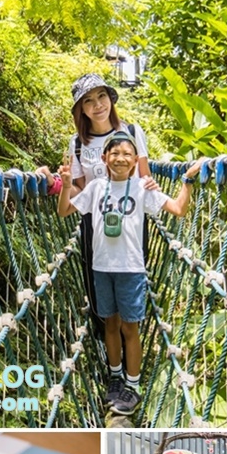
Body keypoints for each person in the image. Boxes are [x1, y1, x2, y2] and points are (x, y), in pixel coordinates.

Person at [58, 133, 203, 415]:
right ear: (104, 159)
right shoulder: (96, 187)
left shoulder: (141, 187)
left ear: (136, 161)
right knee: (110, 324)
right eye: (114, 153)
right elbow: (64, 211)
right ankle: (115, 378)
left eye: (127, 154)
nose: (120, 158)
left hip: (131, 268)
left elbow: (178, 209)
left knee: (130, 328)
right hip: (101, 267)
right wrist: (65, 185)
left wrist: (187, 181)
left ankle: (132, 386)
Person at [42, 74, 158, 403]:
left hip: (132, 225)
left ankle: (130, 376)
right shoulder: (77, 144)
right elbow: (78, 190)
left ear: (111, 97)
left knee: (130, 302)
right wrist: (55, 184)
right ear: (81, 109)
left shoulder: (132, 134)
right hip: (96, 226)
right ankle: (115, 373)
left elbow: (145, 179)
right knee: (104, 307)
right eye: (89, 101)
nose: (98, 105)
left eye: (101, 96)